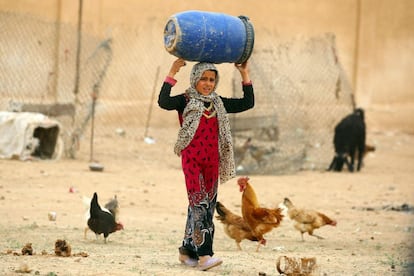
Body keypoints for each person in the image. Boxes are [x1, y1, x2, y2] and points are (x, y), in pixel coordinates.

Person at [158, 58, 254, 271]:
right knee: (199, 205)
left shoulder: (217, 102)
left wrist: (244, 74)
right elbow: (163, 101)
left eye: (212, 79)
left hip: (212, 163)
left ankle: (187, 251)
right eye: (203, 79)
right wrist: (172, 71)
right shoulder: (184, 100)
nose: (208, 83)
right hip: (192, 162)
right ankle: (204, 257)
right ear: (194, 79)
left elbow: (247, 103)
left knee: (204, 208)